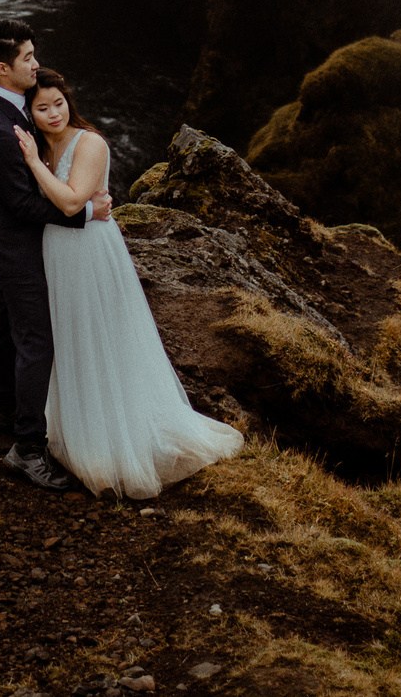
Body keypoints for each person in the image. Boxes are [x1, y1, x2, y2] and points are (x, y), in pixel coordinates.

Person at [15, 69, 243, 497]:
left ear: (69, 100)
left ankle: (117, 435)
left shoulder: (91, 144)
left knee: (100, 336)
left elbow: (68, 201)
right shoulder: (38, 149)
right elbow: (26, 199)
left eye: (58, 103)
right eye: (42, 108)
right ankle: (75, 427)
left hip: (89, 252)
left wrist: (30, 163)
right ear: (30, 112)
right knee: (66, 339)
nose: (53, 114)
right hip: (53, 254)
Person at [0, 19, 111, 491]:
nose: (36, 63)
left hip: (11, 238)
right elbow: (26, 204)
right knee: (36, 339)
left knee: (6, 323)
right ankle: (27, 447)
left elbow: (14, 182)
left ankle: (4, 408)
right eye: (27, 58)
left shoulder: (14, 105)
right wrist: (87, 212)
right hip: (15, 244)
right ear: (2, 68)